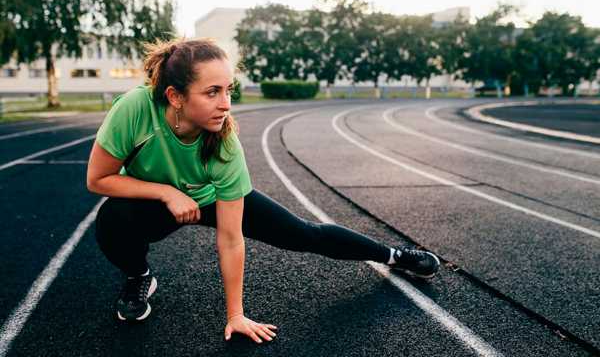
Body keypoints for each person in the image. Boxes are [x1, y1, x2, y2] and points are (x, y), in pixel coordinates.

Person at [86, 38, 440, 344]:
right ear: (175, 97)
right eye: (212, 92)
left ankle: (393, 255)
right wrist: (165, 191)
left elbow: (230, 239)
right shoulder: (134, 110)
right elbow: (98, 179)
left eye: (228, 90)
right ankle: (139, 277)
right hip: (154, 203)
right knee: (114, 220)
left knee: (303, 234)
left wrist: (236, 314)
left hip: (210, 198)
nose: (226, 104)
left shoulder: (224, 143)